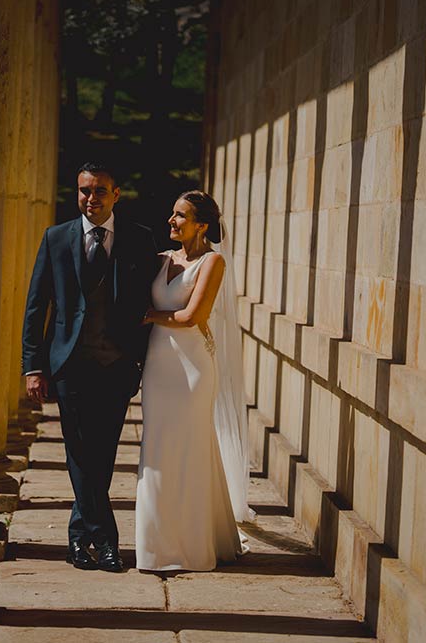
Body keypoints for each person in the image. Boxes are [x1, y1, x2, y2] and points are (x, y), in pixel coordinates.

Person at [21, 162, 158, 572]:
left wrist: (144, 360)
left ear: (116, 194)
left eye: (99, 191)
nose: (90, 198)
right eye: (84, 191)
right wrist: (33, 367)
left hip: (117, 366)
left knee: (103, 453)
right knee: (81, 452)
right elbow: (36, 306)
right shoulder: (56, 238)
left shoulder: (139, 239)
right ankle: (105, 542)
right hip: (69, 366)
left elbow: (151, 302)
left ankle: (79, 540)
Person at [136, 190, 254, 572]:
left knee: (189, 450)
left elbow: (191, 316)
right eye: (172, 214)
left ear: (202, 224)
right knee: (156, 451)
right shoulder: (159, 260)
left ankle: (191, 545)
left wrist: (149, 314)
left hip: (192, 369)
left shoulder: (212, 262)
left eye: (181, 216)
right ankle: (155, 547)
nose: (172, 221)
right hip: (157, 367)